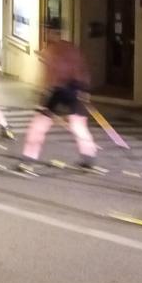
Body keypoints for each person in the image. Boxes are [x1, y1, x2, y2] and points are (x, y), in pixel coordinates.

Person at [17, 20, 97, 173]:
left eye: (47, 31)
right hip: (77, 89)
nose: (47, 34)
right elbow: (84, 69)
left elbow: (50, 76)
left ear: (50, 32)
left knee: (39, 125)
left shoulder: (50, 51)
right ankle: (89, 157)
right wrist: (85, 91)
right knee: (78, 124)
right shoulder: (72, 48)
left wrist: (42, 96)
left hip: (58, 89)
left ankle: (28, 159)